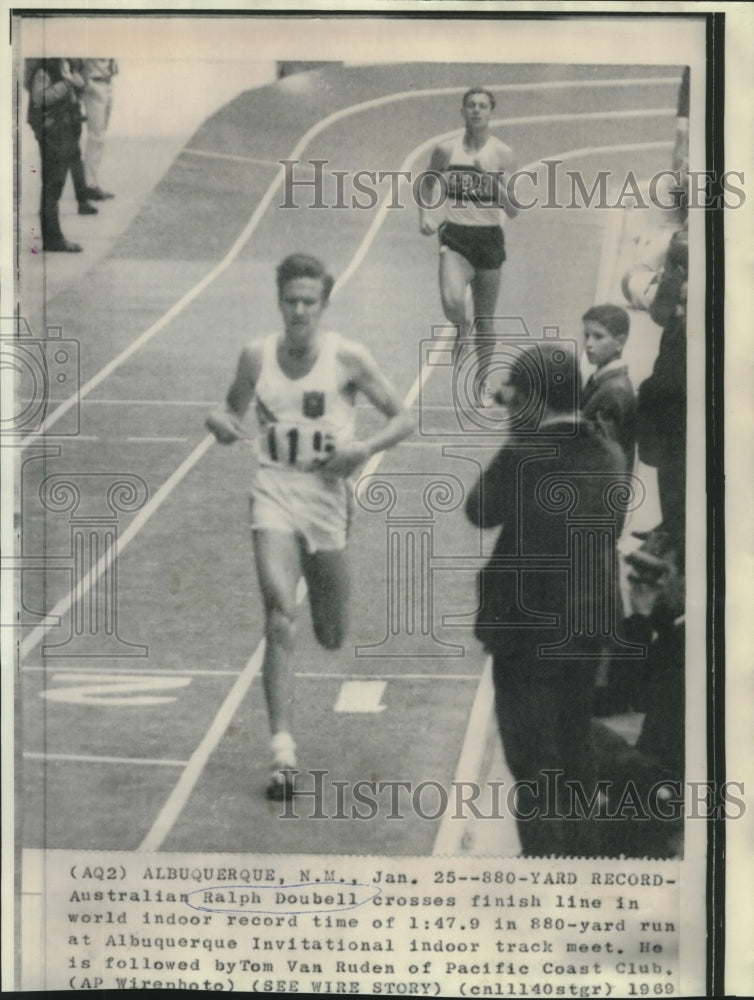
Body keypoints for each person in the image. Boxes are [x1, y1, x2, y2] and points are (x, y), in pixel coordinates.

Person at [206, 254, 414, 800]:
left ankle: (289, 732)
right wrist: (221, 423)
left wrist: (363, 449)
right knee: (279, 614)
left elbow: (405, 417)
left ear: (323, 304)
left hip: (327, 500)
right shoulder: (256, 355)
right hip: (274, 491)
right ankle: (282, 754)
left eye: (309, 302)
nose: (299, 310)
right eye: (291, 300)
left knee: (330, 633)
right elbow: (229, 409)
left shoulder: (348, 356)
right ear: (279, 300)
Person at [466, 340, 627, 857]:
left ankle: (547, 885)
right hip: (589, 630)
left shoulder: (524, 454)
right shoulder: (608, 452)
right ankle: (584, 873)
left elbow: (480, 510)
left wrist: (515, 440)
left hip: (528, 636)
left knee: (534, 769)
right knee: (575, 756)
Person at [418, 87, 518, 403]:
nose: (476, 110)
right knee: (452, 303)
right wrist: (427, 217)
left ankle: (481, 383)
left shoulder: (503, 154)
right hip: (455, 236)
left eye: (482, 106)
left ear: (491, 113)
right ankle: (461, 329)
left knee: (486, 318)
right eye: (471, 105)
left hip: (488, 239)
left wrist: (492, 183)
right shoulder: (446, 151)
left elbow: (513, 208)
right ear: (462, 112)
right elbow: (426, 183)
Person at [26, 58, 90, 252]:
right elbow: (39, 98)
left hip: (63, 127)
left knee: (55, 184)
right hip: (52, 130)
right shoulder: (45, 65)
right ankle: (52, 238)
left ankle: (53, 236)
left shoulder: (64, 61)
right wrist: (68, 83)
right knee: (52, 185)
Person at [580, 303, 637, 472]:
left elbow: (603, 454)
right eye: (586, 335)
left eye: (598, 337)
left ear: (619, 342)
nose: (589, 344)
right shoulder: (603, 379)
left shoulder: (614, 390)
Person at [81, 58, 118, 200]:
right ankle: (89, 185)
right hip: (94, 83)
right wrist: (87, 83)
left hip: (106, 82)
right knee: (96, 137)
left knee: (100, 136)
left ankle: (92, 182)